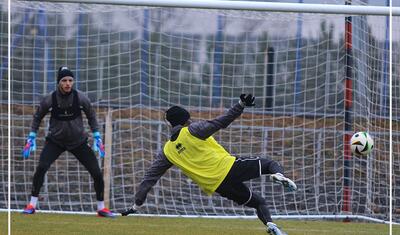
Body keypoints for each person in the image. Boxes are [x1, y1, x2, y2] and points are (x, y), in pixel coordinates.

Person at [121, 94, 297, 235]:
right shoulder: (192, 130)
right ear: (186, 119)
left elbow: (149, 179)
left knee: (258, 202)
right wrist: (240, 106)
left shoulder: (166, 151)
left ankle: (272, 226)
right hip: (227, 168)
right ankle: (279, 175)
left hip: (217, 185)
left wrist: (136, 205)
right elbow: (221, 121)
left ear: (169, 124)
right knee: (269, 164)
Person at [21, 66, 115, 218]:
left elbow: (92, 116)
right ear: (59, 82)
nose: (67, 83)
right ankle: (31, 204)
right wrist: (31, 136)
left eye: (70, 80)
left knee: (97, 172)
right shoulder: (50, 99)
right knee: (42, 167)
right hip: (55, 141)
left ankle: (101, 208)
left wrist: (97, 136)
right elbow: (37, 116)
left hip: (78, 142)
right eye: (64, 80)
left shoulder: (81, 98)